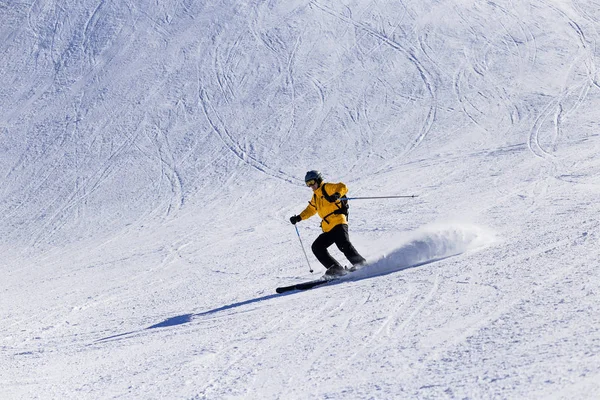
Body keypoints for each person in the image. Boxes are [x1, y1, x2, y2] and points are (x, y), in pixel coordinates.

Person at [290, 170, 366, 276]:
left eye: (312, 182)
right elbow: (311, 209)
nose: (311, 186)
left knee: (343, 244)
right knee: (317, 247)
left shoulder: (327, 188)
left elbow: (343, 186)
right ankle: (335, 268)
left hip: (338, 221)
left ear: (318, 180)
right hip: (328, 227)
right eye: (308, 184)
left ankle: (361, 264)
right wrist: (299, 217)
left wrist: (336, 194)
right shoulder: (315, 197)